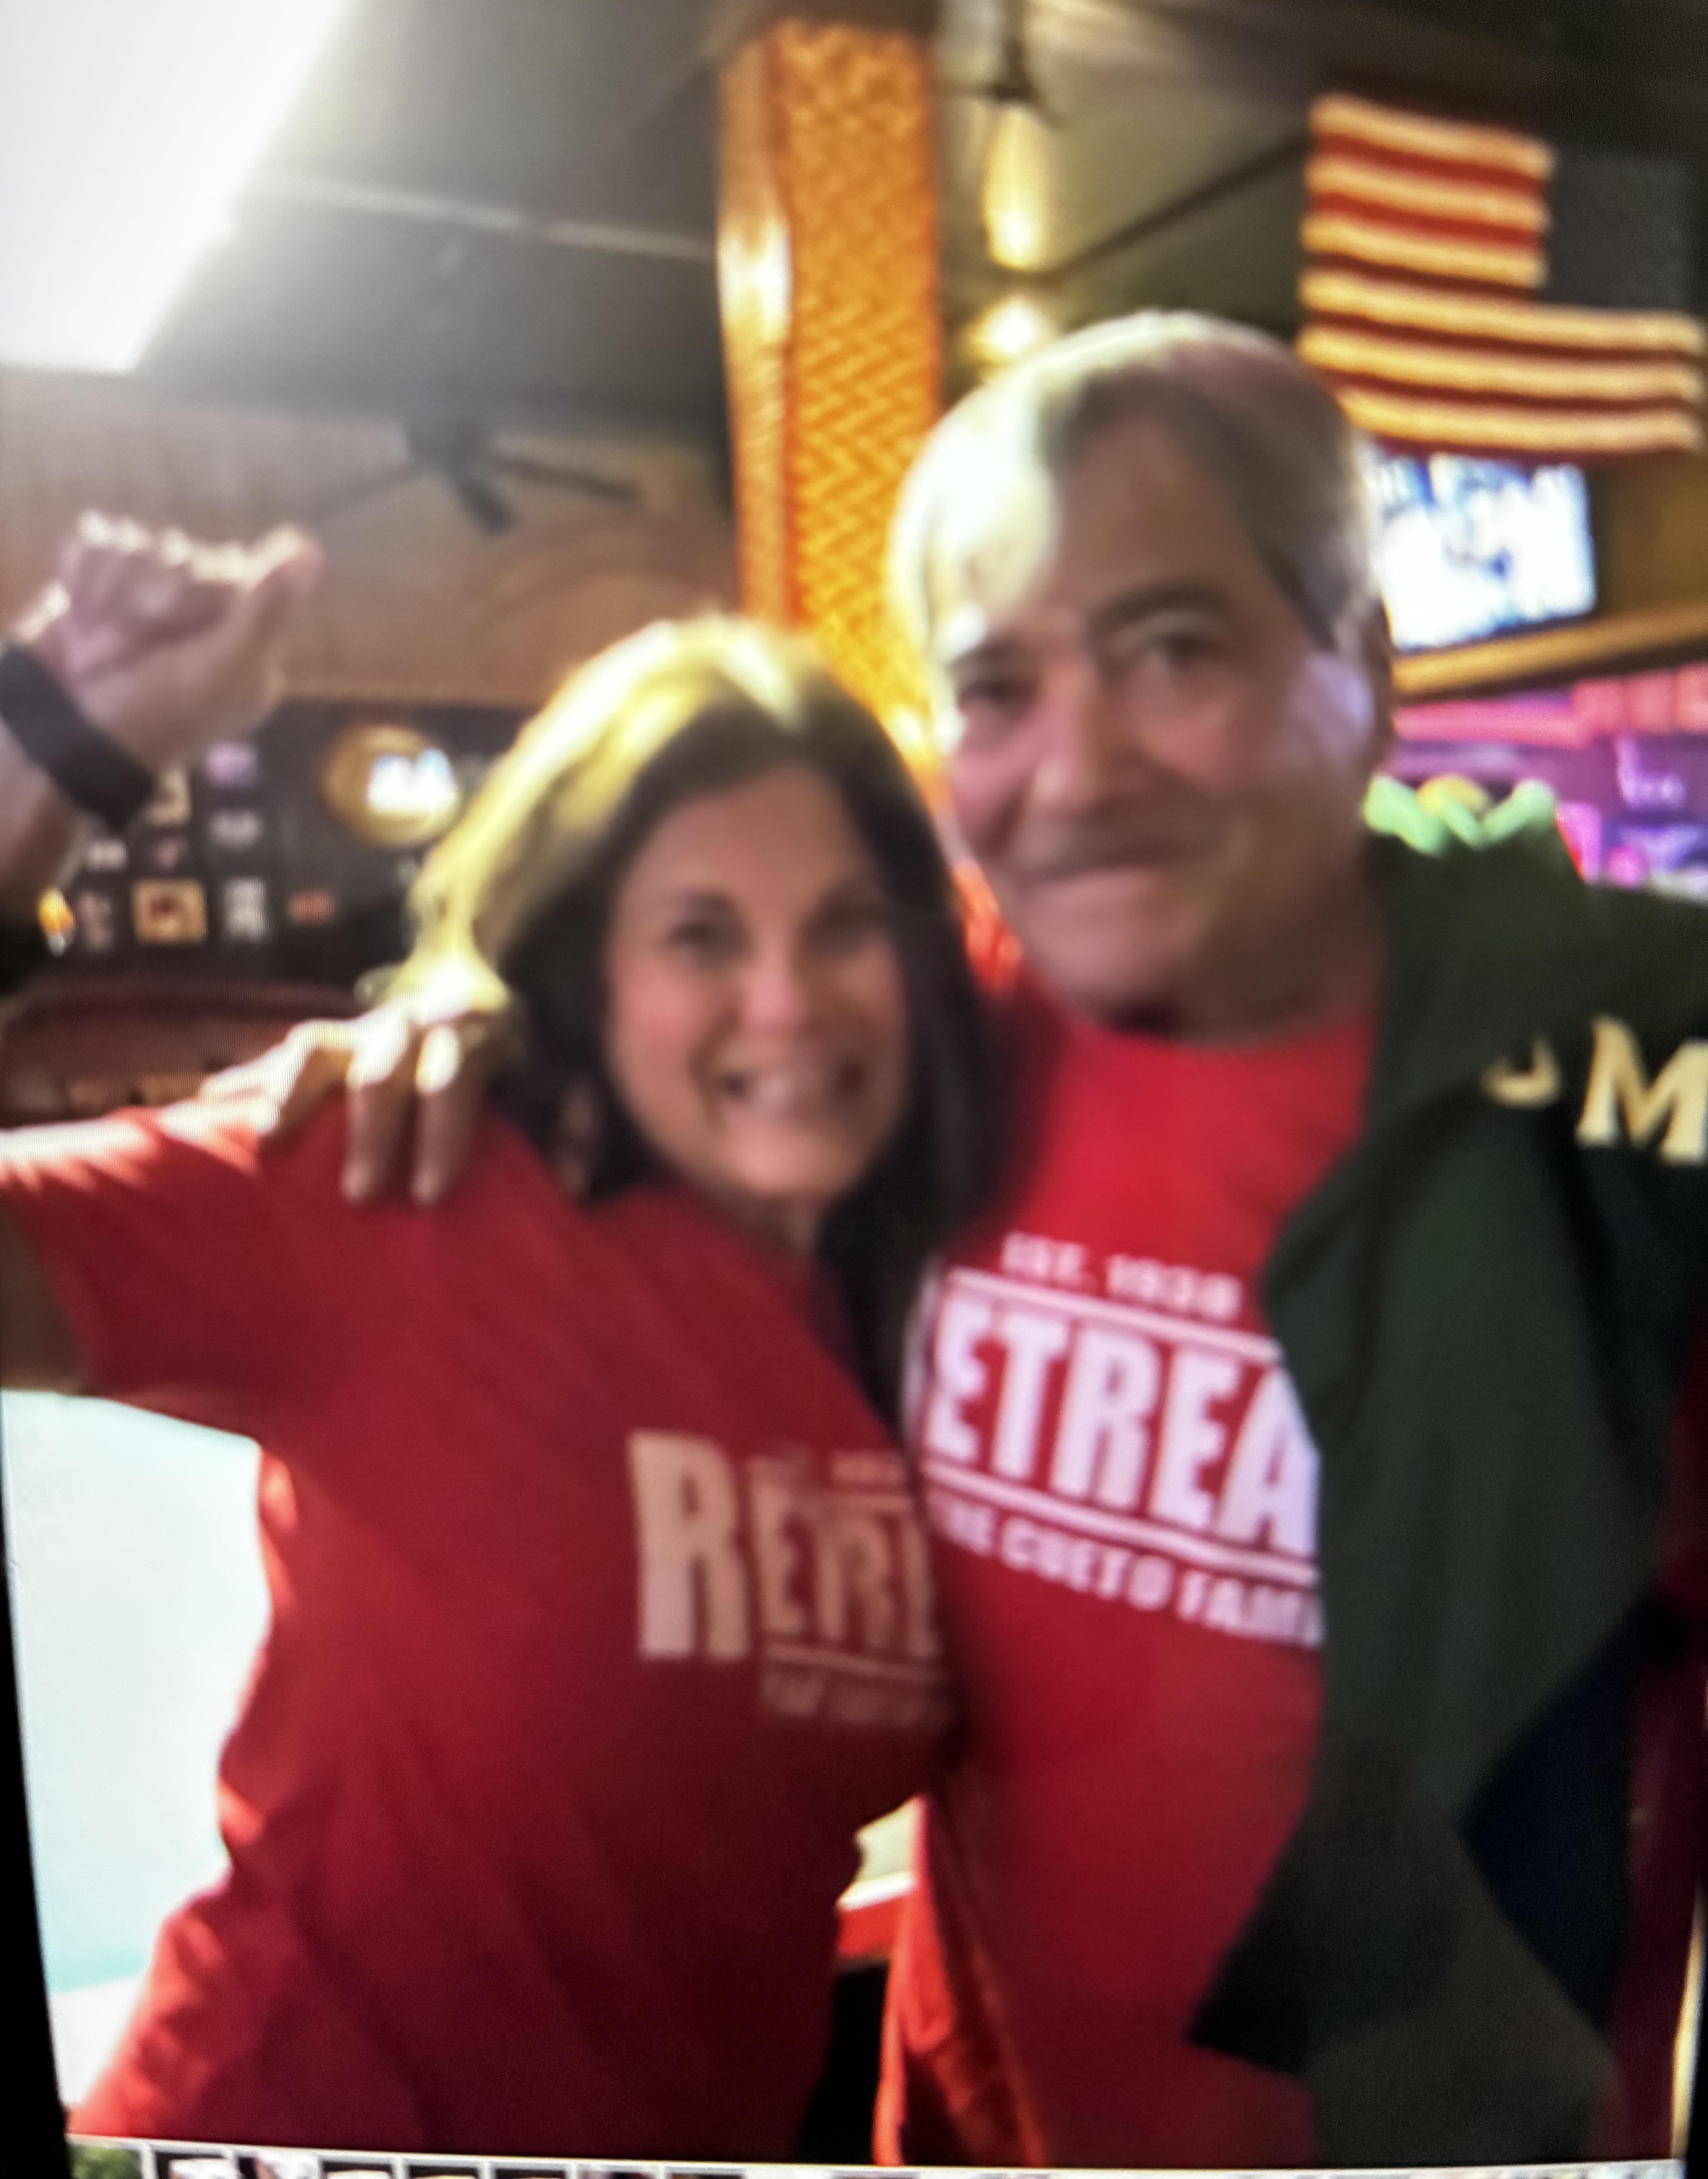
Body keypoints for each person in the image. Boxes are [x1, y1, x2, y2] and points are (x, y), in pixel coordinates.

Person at [282, 314, 1708, 2169]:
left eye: (1173, 649)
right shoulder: (940, 1035)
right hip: (967, 2132)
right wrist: (487, 1010)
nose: (1076, 766)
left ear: (1367, 664)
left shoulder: (1631, 1103)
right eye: (997, 690)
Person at [0, 547, 1000, 2158]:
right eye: (697, 937)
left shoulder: (941, 1301)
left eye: (842, 929)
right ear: (586, 976)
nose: (784, 1005)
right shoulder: (395, 1181)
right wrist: (48, 750)